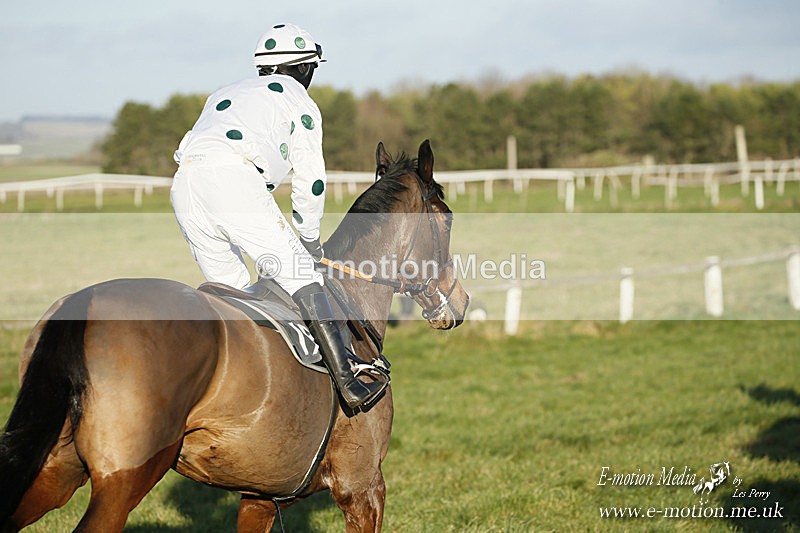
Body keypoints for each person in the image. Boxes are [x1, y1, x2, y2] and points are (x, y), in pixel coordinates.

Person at [170, 23, 384, 409]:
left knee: (233, 294)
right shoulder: (298, 100)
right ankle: (350, 383)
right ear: (304, 68)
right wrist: (309, 238)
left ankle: (235, 399)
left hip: (184, 183)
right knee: (303, 274)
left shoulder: (224, 92)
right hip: (231, 179)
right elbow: (311, 181)